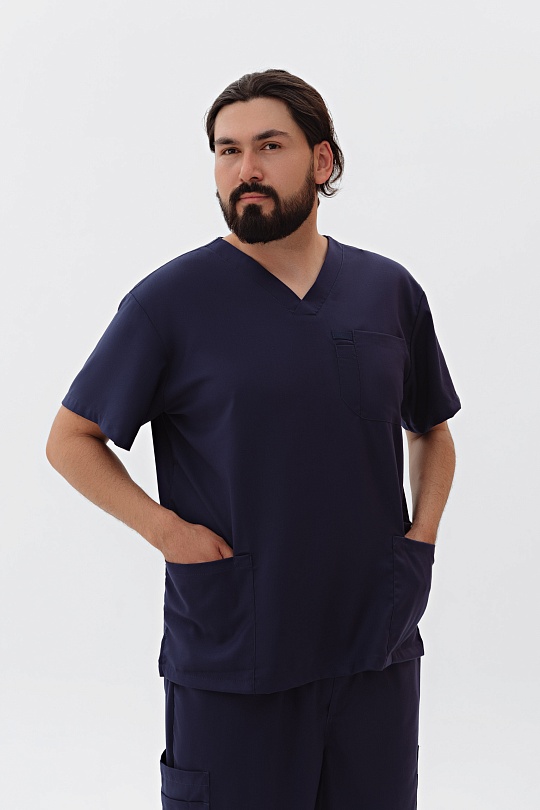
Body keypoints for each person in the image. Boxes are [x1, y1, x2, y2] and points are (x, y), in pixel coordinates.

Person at [46, 68, 461, 810]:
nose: (246, 170)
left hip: (376, 642)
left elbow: (431, 427)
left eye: (269, 146)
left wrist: (422, 536)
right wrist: (167, 532)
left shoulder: (387, 291)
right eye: (227, 150)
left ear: (322, 160)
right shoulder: (171, 302)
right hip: (238, 648)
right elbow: (71, 439)